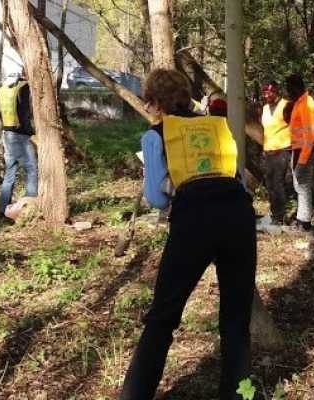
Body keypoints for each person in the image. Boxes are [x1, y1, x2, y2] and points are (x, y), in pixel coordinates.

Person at [120, 69, 256, 400]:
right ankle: (241, 395)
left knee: (162, 318)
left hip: (194, 219)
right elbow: (238, 176)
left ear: (152, 102)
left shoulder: (155, 136)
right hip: (238, 215)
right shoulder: (215, 126)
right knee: (236, 320)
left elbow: (156, 197)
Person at [283, 74, 314, 232]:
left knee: (303, 186)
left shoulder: (307, 104)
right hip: (300, 150)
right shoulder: (299, 103)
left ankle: (305, 223)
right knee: (299, 186)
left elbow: (309, 136)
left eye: (289, 89)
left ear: (297, 87)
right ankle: (302, 219)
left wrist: (301, 162)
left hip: (307, 151)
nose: (288, 92)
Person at [0, 74, 37, 221]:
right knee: (31, 170)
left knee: (9, 173)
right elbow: (24, 112)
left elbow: (2, 113)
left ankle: (2, 211)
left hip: (7, 134)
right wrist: (32, 132)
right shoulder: (23, 88)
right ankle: (31, 208)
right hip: (20, 136)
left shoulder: (4, 88)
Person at [260, 82, 292, 227]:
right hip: (268, 151)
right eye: (265, 93)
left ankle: (280, 216)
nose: (266, 95)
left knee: (278, 183)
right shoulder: (265, 108)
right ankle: (274, 214)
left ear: (276, 92)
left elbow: (295, 125)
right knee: (270, 184)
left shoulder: (286, 105)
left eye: (269, 93)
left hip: (282, 150)